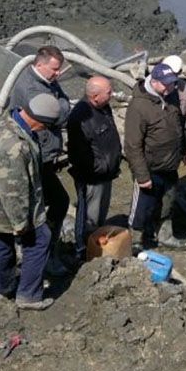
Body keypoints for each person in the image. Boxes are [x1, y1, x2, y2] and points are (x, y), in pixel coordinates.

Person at [0, 94, 63, 310]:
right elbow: (13, 190)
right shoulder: (15, 147)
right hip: (10, 206)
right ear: (39, 121)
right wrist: (20, 223)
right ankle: (29, 295)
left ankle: (3, 288)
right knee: (40, 240)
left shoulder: (6, 121)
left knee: (1, 242)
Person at [7, 46, 72, 255]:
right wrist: (60, 106)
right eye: (54, 69)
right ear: (40, 64)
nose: (58, 73)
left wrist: (60, 105)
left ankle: (43, 241)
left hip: (45, 153)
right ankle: (38, 246)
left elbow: (63, 103)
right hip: (36, 156)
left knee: (48, 201)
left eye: (59, 69)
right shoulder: (31, 89)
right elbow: (58, 115)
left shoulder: (47, 80)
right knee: (57, 201)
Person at [125, 63, 186, 250]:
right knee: (142, 206)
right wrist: (142, 176)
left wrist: (184, 149)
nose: (171, 87)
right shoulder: (139, 106)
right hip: (150, 166)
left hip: (170, 163)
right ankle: (135, 241)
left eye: (172, 83)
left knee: (167, 202)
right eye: (166, 84)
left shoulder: (171, 95)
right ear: (154, 82)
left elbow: (179, 125)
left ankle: (165, 236)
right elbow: (132, 145)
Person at [66, 76, 122, 261]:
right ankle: (83, 250)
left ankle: (97, 245)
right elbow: (79, 155)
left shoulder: (103, 107)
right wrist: (101, 168)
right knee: (89, 217)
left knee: (100, 214)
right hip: (92, 178)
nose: (112, 94)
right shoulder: (80, 118)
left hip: (106, 174)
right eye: (108, 92)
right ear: (95, 96)